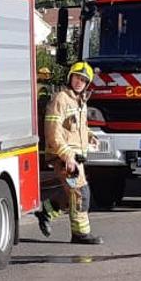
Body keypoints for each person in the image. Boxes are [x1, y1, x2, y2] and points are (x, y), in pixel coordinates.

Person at [36, 61, 103, 245]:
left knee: (70, 194)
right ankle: (81, 234)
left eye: (83, 80)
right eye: (77, 77)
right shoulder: (61, 99)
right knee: (81, 192)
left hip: (75, 157)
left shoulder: (79, 100)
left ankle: (46, 212)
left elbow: (77, 127)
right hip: (64, 158)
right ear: (70, 77)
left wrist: (90, 136)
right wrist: (66, 156)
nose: (79, 82)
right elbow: (52, 132)